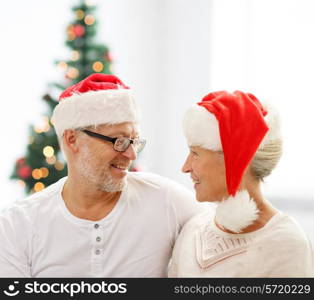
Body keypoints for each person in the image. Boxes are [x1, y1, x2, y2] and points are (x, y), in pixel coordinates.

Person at [0, 73, 201, 277]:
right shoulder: (18, 225)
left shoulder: (166, 202)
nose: (131, 154)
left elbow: (225, 233)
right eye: (119, 141)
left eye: (134, 141)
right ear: (72, 140)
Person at [168, 90, 314, 277]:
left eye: (195, 153)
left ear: (235, 161)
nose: (185, 167)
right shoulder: (193, 229)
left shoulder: (286, 245)